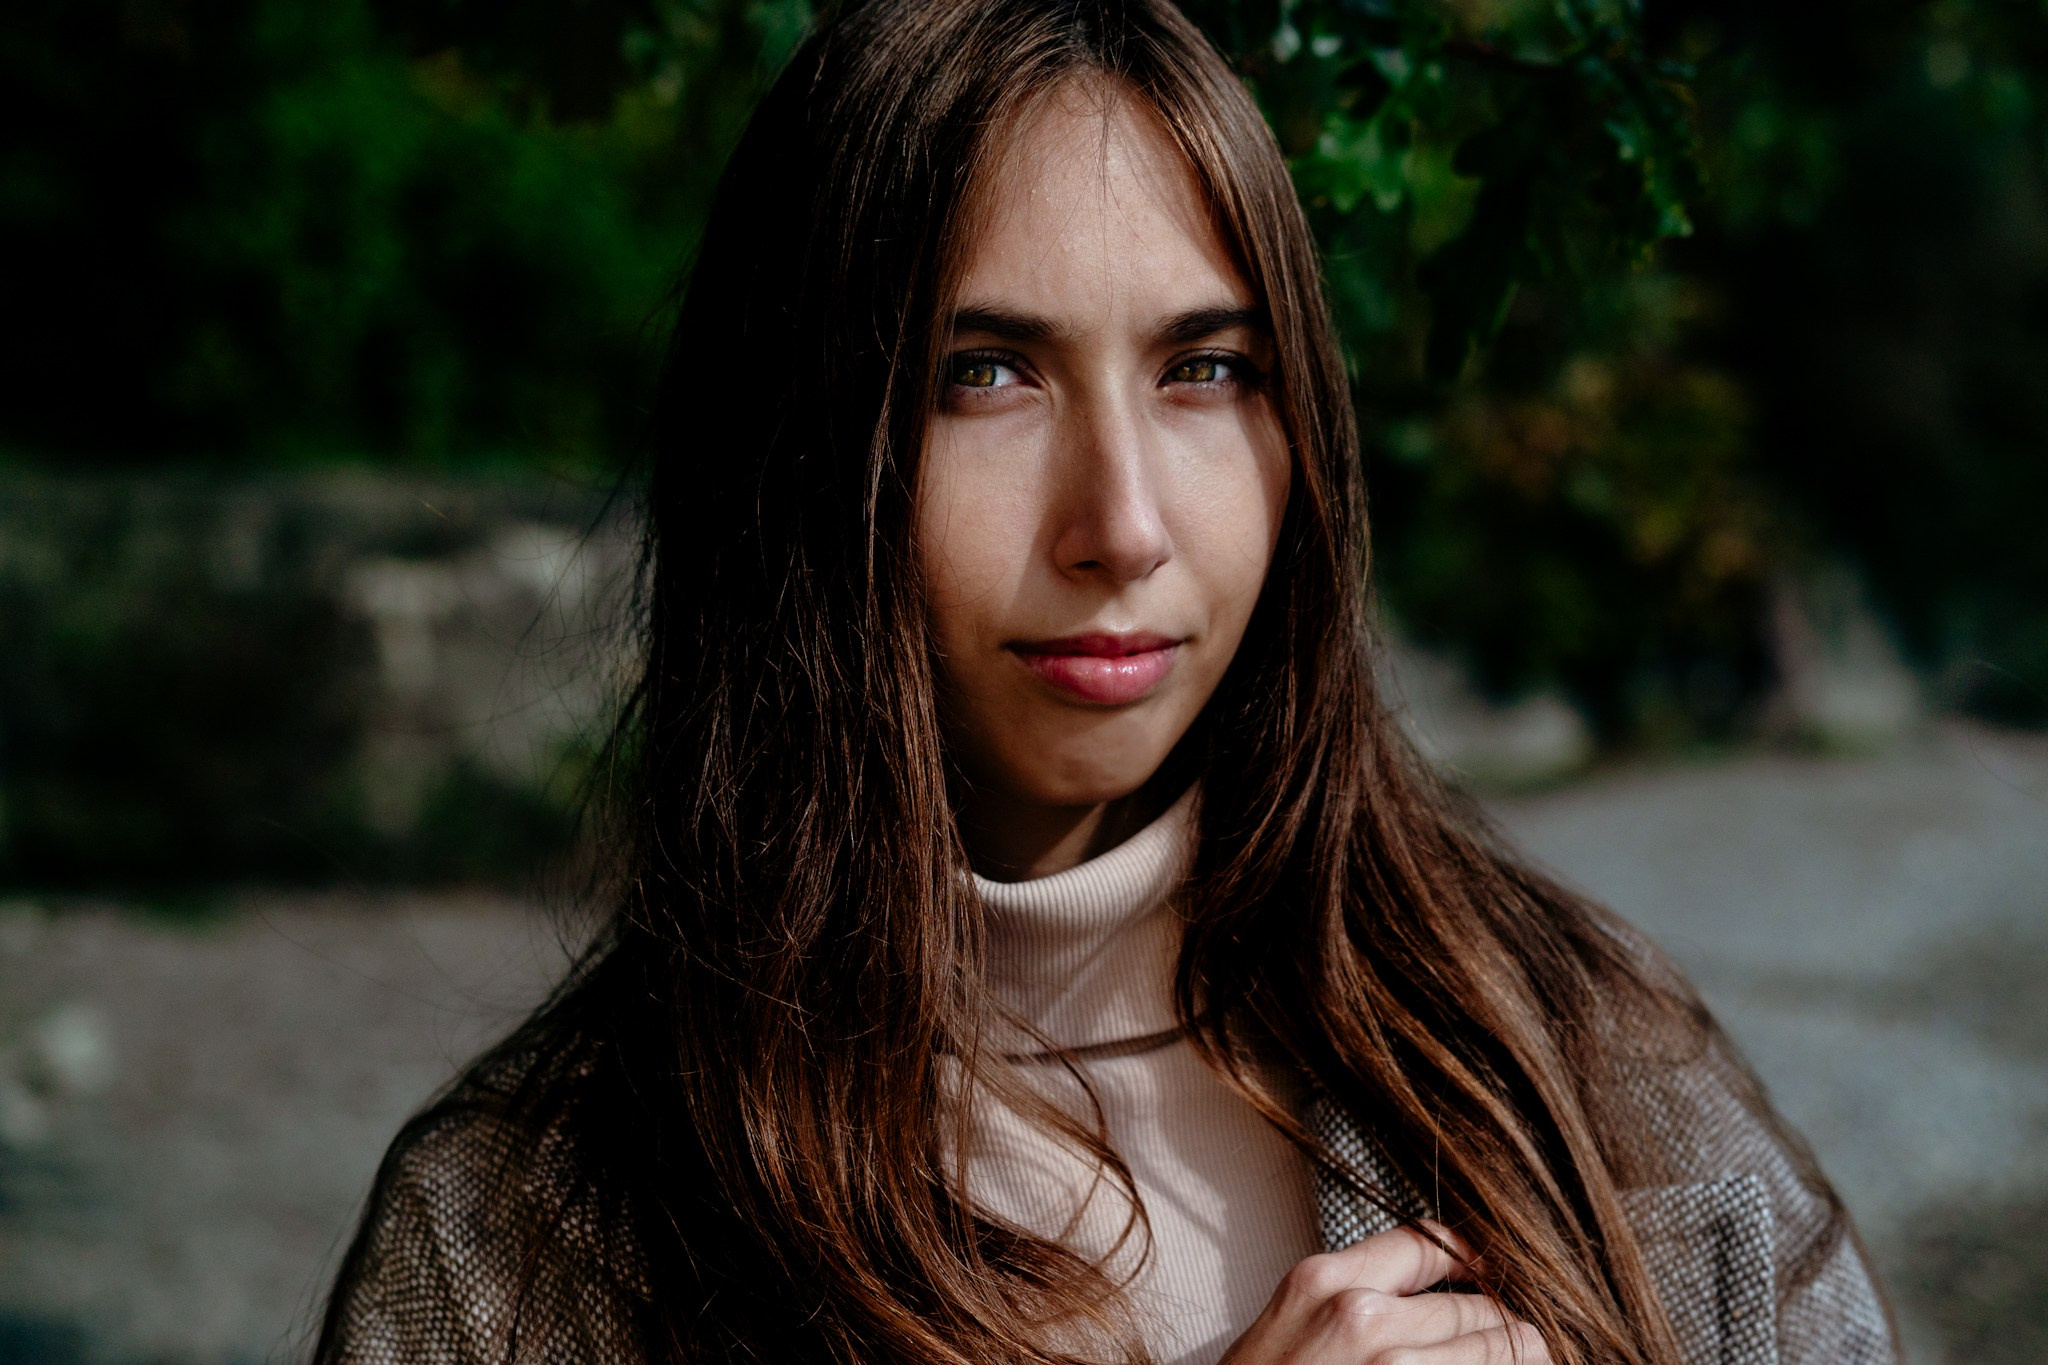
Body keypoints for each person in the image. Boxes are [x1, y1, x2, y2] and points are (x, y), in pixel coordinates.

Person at [312, 2, 1898, 1362]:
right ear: (794, 451)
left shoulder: (1599, 1080)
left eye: (1206, 367)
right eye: (983, 374)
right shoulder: (519, 1248)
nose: (1123, 524)